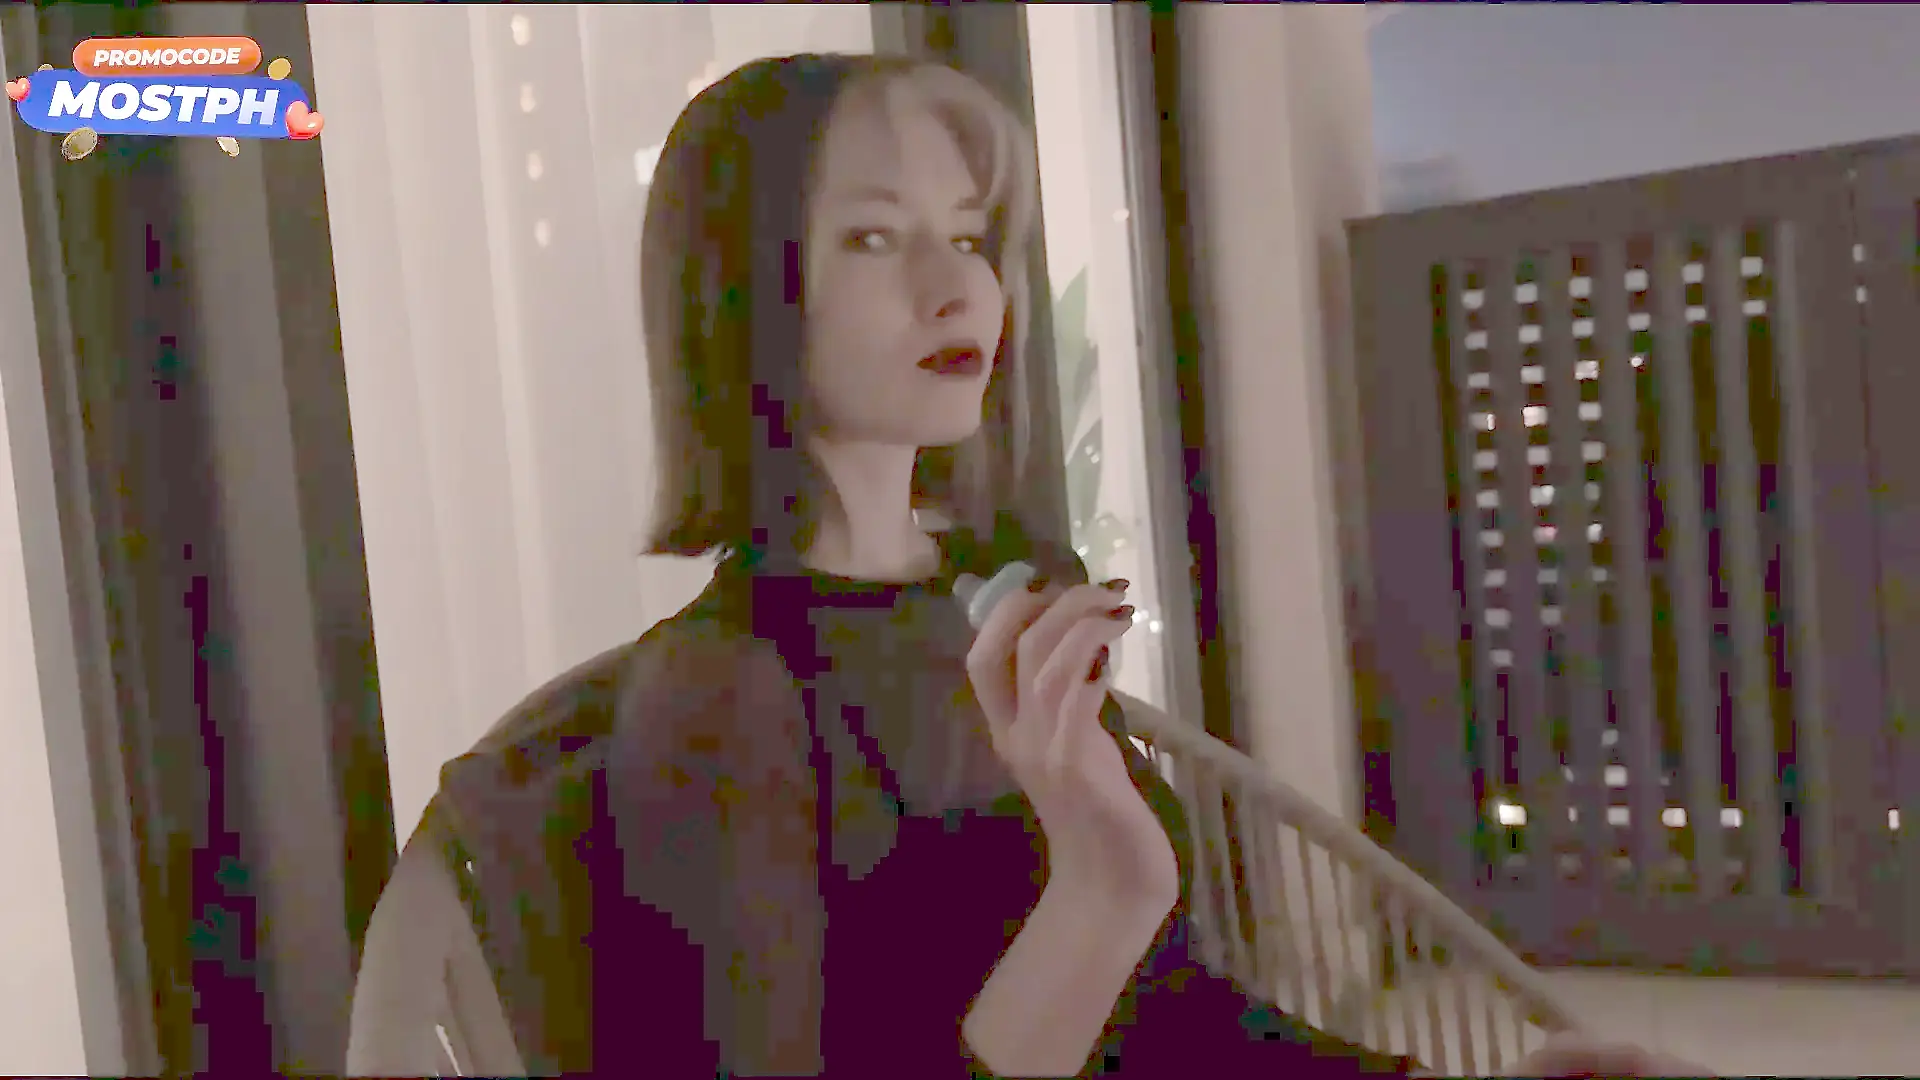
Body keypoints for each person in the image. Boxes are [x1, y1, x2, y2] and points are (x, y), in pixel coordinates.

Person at [414, 52, 1704, 1078]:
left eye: (971, 234)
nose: (958, 287)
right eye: (874, 238)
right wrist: (1102, 884)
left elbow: (1168, 1015)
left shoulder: (1001, 583)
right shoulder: (720, 698)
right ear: (742, 290)